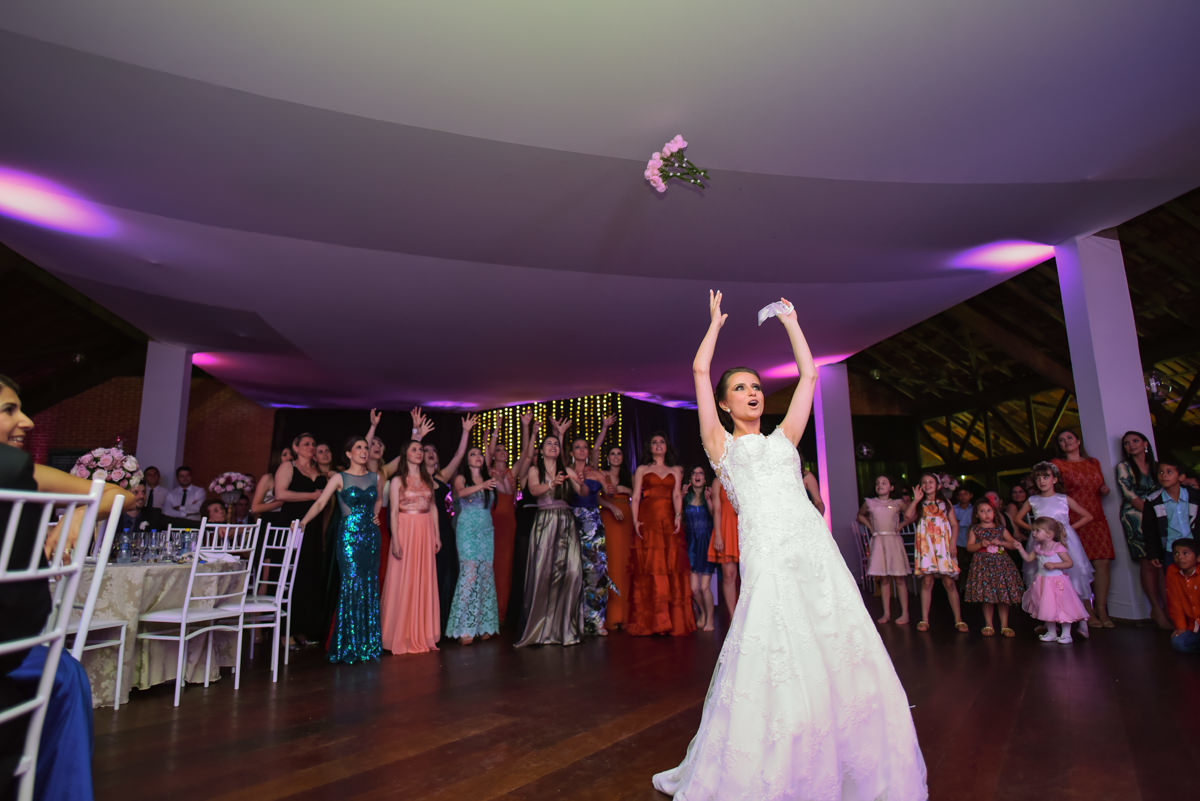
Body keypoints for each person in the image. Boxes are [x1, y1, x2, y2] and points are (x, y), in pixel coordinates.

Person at [652, 291, 926, 800]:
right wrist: (714, 325)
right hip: (768, 555)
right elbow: (698, 370)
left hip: (813, 552)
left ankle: (843, 755)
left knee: (834, 643)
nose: (752, 393)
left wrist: (791, 322)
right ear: (724, 403)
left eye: (756, 386)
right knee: (777, 649)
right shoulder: (721, 445)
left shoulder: (784, 440)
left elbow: (810, 377)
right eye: (740, 388)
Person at [298, 437, 384, 664]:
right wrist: (304, 521)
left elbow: (378, 500)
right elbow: (320, 503)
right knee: (352, 584)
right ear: (348, 454)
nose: (364, 451)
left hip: (371, 537)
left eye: (366, 447)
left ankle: (367, 644)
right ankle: (349, 643)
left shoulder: (376, 477)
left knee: (369, 586)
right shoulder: (339, 478)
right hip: (349, 538)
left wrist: (376, 514)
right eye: (359, 447)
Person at [514, 430, 583, 647]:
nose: (553, 446)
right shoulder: (535, 469)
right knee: (543, 574)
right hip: (545, 520)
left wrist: (579, 482)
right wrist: (552, 484)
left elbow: (582, 492)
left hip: (566, 521)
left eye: (556, 443)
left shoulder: (567, 469)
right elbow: (534, 490)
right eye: (549, 444)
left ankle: (565, 629)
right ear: (542, 450)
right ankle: (541, 629)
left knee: (572, 572)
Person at [1014, 462, 1095, 637]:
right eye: (1038, 478)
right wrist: (1036, 531)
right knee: (1044, 579)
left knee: (1073, 578)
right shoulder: (1033, 500)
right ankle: (1049, 621)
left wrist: (1066, 529)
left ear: (1054, 479)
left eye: (1046, 477)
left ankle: (1082, 622)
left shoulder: (1063, 499)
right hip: (1041, 543)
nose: (1042, 481)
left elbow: (1087, 516)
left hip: (1064, 541)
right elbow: (1018, 518)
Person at [628, 432, 695, 637]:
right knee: (651, 567)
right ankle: (652, 621)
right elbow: (636, 496)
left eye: (661, 442)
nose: (658, 445)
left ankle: (669, 620)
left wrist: (678, 516)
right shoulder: (642, 469)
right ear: (650, 448)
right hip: (648, 521)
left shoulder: (675, 470)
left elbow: (676, 495)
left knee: (670, 566)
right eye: (654, 442)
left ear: (666, 447)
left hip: (668, 521)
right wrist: (635, 520)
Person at [380, 433, 441, 655]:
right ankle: (401, 633)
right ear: (405, 454)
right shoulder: (397, 480)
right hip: (406, 528)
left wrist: (436, 535)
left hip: (424, 529)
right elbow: (393, 512)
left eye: (421, 450)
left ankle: (423, 633)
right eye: (414, 449)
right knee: (403, 577)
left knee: (423, 579)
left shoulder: (428, 479)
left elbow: (433, 507)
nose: (419, 453)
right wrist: (396, 540)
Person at [1052, 429, 1116, 627]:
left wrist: (1103, 489)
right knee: (1079, 566)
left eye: (1069, 438)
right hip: (1073, 518)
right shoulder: (1058, 464)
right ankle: (1086, 610)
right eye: (1061, 440)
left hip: (1096, 517)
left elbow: (1099, 484)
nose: (1066, 441)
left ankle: (1102, 609)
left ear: (1078, 441)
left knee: (1103, 562)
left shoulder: (1092, 462)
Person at [274, 433, 328, 646]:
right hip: (293, 524)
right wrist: (311, 496)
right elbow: (280, 494)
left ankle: (303, 628)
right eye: (306, 444)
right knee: (290, 576)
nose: (311, 447)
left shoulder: (319, 470)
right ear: (296, 447)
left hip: (313, 528)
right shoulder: (289, 467)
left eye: (313, 444)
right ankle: (284, 632)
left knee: (309, 577)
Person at [446, 447, 500, 645]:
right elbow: (460, 493)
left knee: (485, 575)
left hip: (486, 530)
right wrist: (482, 485)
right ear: (466, 460)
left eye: (480, 454)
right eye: (473, 454)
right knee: (469, 575)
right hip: (468, 529)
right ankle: (463, 628)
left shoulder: (489, 479)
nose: (477, 457)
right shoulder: (462, 478)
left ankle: (483, 626)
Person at [566, 434, 619, 636]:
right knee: (573, 570)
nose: (581, 450)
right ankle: (574, 620)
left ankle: (596, 621)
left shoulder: (596, 473)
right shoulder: (567, 470)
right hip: (571, 520)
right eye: (577, 447)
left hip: (593, 523)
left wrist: (609, 488)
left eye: (584, 447)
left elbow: (608, 493)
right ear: (571, 452)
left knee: (596, 570)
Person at [1115, 430, 1168, 627]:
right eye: (1127, 443)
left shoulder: (1156, 466)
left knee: (1161, 562)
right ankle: (1156, 608)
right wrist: (1152, 514)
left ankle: (1169, 608)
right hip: (1136, 516)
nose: (1131, 445)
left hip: (1159, 513)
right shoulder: (1124, 467)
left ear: (1145, 443)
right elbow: (1128, 494)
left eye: (1135, 441)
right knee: (1147, 561)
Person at [908, 472, 965, 633]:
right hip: (926, 546)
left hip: (943, 545)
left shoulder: (945, 503)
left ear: (938, 485)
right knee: (927, 581)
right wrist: (915, 500)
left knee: (949, 582)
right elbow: (907, 516)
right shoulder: (920, 504)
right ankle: (924, 619)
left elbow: (954, 524)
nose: (927, 484)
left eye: (931, 482)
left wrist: (953, 543)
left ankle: (958, 619)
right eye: (924, 482)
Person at [1017, 517, 1088, 644]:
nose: (1034, 533)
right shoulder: (1038, 547)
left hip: (1057, 582)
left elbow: (1069, 563)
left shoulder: (1058, 547)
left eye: (1037, 530)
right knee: (1046, 607)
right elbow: (1028, 559)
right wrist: (1020, 548)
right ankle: (1051, 632)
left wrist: (1055, 565)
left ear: (1049, 534)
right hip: (1043, 582)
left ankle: (1066, 634)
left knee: (1063, 607)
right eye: (1033, 530)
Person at [962, 500, 1024, 637]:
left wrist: (1001, 542)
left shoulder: (1001, 529)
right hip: (983, 565)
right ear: (977, 515)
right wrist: (980, 545)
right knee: (987, 596)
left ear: (994, 513)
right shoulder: (975, 529)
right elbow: (969, 547)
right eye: (982, 511)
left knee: (1003, 595)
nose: (986, 514)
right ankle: (988, 624)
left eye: (989, 510)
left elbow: (1014, 544)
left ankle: (1004, 625)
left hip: (1001, 563)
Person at [859, 475, 911, 625]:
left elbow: (911, 515)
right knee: (884, 578)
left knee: (899, 577)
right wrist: (871, 527)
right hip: (879, 540)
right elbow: (860, 515)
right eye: (878, 483)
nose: (880, 485)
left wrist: (901, 525)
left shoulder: (897, 503)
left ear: (891, 487)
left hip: (893, 540)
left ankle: (905, 613)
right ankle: (886, 613)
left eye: (884, 483)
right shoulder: (870, 502)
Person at [599, 443, 635, 630]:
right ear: (607, 458)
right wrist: (611, 506)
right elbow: (595, 496)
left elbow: (638, 496)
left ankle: (626, 614)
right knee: (611, 562)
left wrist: (625, 490)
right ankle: (612, 615)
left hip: (626, 518)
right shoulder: (602, 475)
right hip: (609, 517)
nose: (615, 456)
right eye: (612, 453)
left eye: (619, 453)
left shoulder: (630, 476)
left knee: (625, 562)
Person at [1143, 459, 1199, 568]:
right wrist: (1153, 553)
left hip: (1195, 548)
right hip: (1170, 551)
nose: (1164, 475)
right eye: (1161, 472)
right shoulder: (1152, 501)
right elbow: (1149, 529)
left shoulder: (1195, 496)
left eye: (1169, 472)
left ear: (1181, 477)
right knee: (1173, 577)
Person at [682, 466, 716, 631]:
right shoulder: (685, 498)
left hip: (706, 543)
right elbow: (676, 515)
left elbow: (715, 515)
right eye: (694, 473)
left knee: (704, 587)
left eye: (700, 473)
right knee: (694, 589)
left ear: (705, 478)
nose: (697, 475)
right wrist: (680, 496)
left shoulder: (710, 494)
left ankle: (710, 619)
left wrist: (709, 500)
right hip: (690, 544)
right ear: (690, 479)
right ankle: (702, 612)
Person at [707, 479, 740, 620]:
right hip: (727, 528)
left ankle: (751, 616)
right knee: (729, 575)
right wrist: (718, 535)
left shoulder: (747, 475)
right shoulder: (718, 481)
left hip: (745, 528)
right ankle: (734, 618)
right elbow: (717, 510)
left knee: (751, 575)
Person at [1164, 538, 1200, 654]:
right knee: (1178, 642)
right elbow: (1174, 603)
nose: (1180, 557)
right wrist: (1181, 627)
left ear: (1198, 557)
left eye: (1185, 553)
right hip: (1193, 626)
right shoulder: (1172, 571)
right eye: (1176, 553)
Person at [951, 486, 974, 589]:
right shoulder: (953, 508)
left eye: (965, 494)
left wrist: (958, 522)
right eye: (960, 494)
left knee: (970, 566)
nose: (963, 497)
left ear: (971, 495)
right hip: (957, 542)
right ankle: (960, 589)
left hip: (971, 542)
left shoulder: (974, 509)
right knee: (958, 567)